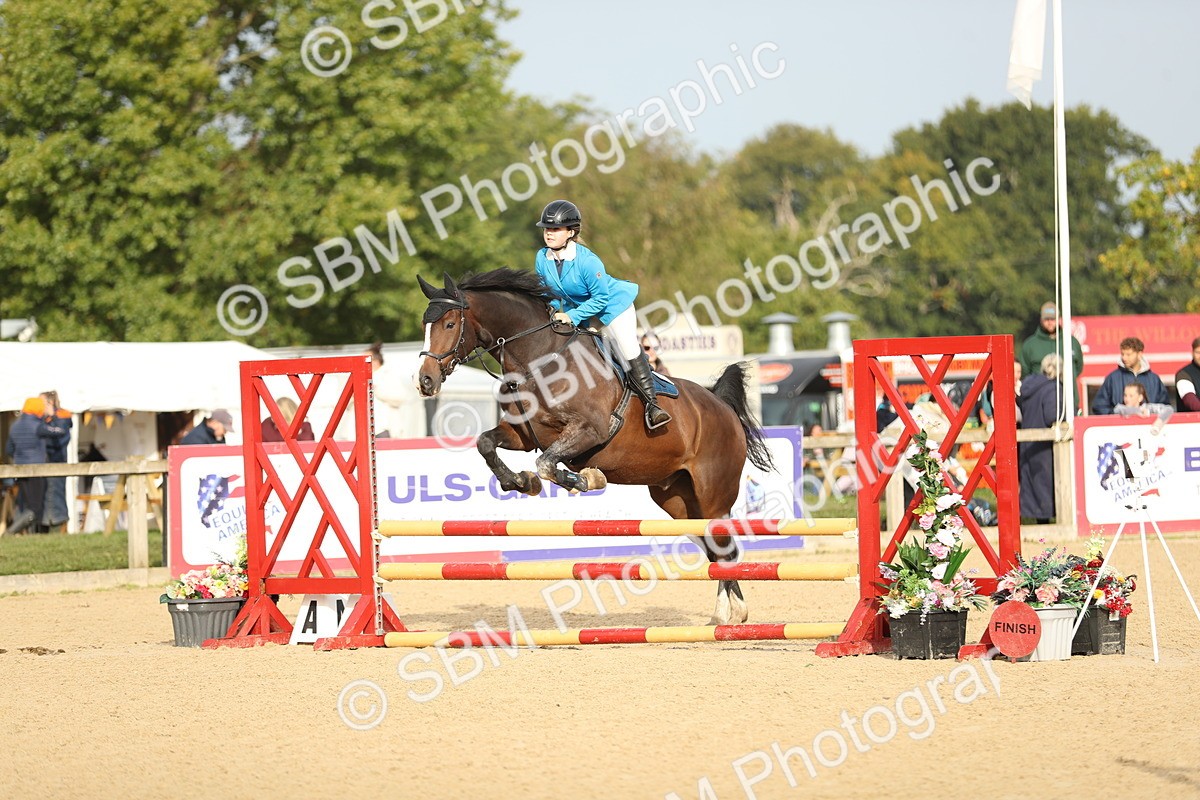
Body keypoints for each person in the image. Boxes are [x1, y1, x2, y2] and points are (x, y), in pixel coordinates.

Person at [534, 199, 670, 430]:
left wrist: (573, 317)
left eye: (555, 229)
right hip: (580, 311)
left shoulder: (587, 261)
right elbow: (550, 292)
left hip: (613, 307)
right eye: (547, 229)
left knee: (627, 348)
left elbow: (601, 299)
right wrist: (553, 309)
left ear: (570, 232)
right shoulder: (542, 258)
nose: (549, 234)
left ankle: (652, 405)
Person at [4, 397, 66, 534]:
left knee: (26, 505)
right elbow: (60, 432)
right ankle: (10, 532)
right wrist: (54, 416)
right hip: (36, 470)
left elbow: (9, 449)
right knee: (36, 507)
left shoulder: (15, 426)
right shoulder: (37, 425)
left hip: (19, 471)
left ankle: (24, 533)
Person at [1017, 354, 1064, 524]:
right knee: (1047, 484)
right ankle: (1053, 523)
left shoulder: (1029, 385)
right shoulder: (1053, 388)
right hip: (1045, 445)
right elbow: (1053, 415)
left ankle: (1040, 522)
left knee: (1034, 484)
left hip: (1028, 442)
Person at [1018, 301, 1083, 409]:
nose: (1050, 322)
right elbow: (1025, 374)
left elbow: (1078, 368)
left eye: (1053, 319)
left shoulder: (1071, 342)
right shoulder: (1030, 345)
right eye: (1046, 319)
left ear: (1059, 319)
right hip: (1039, 405)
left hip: (1069, 404)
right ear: (1041, 320)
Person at [1091, 336, 1169, 415]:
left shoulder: (1154, 379)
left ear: (1139, 354)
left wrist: (1150, 414)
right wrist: (1116, 415)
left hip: (1148, 426)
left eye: (1128, 354)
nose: (1124, 358)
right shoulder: (1113, 378)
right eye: (1122, 354)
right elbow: (1099, 406)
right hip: (1120, 426)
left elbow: (1165, 407)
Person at [39, 391, 72, 530]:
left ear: (50, 402)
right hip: (46, 462)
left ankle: (58, 527)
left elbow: (61, 439)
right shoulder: (45, 418)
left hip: (56, 461)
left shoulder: (61, 418)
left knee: (56, 495)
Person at [1174, 336, 1200, 412]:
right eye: (1198, 352)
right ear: (1192, 353)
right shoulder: (1183, 374)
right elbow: (1191, 402)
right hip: (1192, 423)